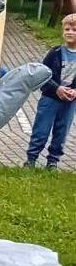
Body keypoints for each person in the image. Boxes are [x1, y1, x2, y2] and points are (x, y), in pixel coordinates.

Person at [26, 12, 76, 170]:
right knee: (41, 130)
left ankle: (53, 161)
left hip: (69, 102)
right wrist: (57, 88)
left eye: (74, 30)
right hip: (50, 99)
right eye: (67, 29)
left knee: (61, 132)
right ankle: (31, 159)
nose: (70, 32)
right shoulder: (55, 53)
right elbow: (43, 75)